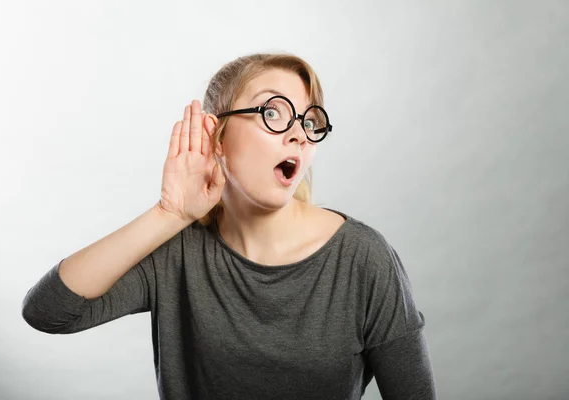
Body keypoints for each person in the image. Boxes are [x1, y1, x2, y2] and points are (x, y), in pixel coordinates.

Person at [22, 52, 438, 399]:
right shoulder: (178, 252)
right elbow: (48, 312)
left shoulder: (364, 260)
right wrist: (168, 214)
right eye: (273, 112)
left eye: (309, 121)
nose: (298, 134)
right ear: (217, 136)